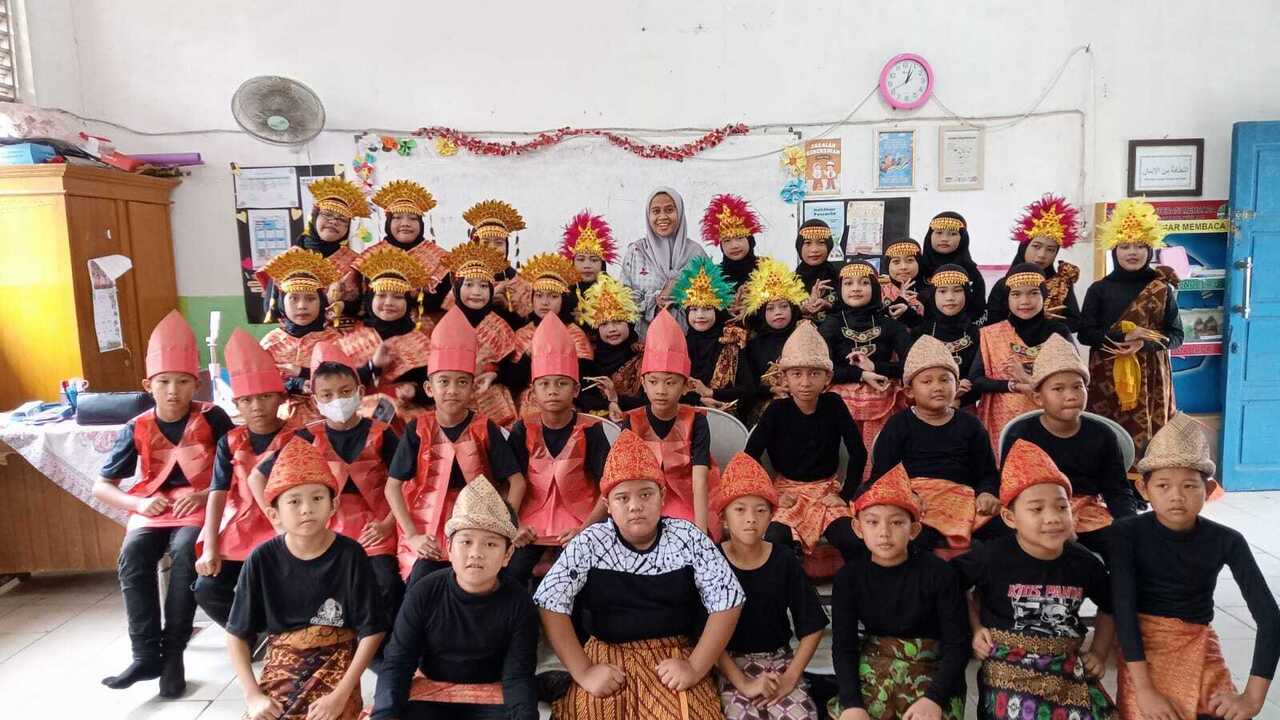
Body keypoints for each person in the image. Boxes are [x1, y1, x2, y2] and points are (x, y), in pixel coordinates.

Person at [533, 430, 745, 720]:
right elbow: (550, 601)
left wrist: (695, 666)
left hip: (673, 656)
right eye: (622, 497)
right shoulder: (590, 542)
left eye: (646, 494)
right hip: (605, 656)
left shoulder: (688, 537)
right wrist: (583, 671)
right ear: (608, 505)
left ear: (663, 496)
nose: (635, 506)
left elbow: (728, 599)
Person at [93, 311, 234, 697]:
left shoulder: (214, 417)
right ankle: (144, 655)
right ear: (148, 385)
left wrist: (204, 495)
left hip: (204, 504)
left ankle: (173, 655)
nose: (174, 390)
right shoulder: (136, 426)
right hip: (151, 509)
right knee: (133, 557)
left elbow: (237, 468)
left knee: (186, 552)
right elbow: (101, 486)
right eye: (164, 382)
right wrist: (136, 505)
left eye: (183, 381)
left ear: (196, 384)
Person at [1112, 413, 1280, 720]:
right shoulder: (1126, 533)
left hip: (1198, 641)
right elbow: (1122, 610)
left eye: (1190, 486)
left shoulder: (1227, 541)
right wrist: (1145, 690)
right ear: (1144, 489)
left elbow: (1270, 619)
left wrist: (1252, 699)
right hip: (1143, 649)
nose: (1176, 497)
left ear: (1209, 488)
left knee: (1221, 712)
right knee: (1149, 711)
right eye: (1163, 485)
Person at [954, 440, 1116, 720]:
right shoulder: (991, 557)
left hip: (1064, 663)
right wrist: (975, 627)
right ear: (1010, 517)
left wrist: (1099, 652)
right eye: (1037, 509)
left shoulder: (1084, 562)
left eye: (1061, 507)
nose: (1053, 518)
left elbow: (1111, 604)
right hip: (1008, 662)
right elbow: (951, 585)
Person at [226, 438, 386, 720]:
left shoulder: (351, 555)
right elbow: (237, 635)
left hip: (337, 658)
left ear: (333, 505)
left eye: (317, 498)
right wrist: (253, 696)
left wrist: (340, 695)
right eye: (294, 501)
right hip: (284, 658)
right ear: (274, 513)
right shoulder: (262, 559)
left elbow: (372, 631)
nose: (307, 509)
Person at [250, 341, 405, 627]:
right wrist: (280, 524)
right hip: (326, 526)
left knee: (386, 582)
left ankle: (380, 645)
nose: (337, 400)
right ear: (316, 400)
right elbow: (257, 476)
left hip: (376, 528)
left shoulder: (384, 434)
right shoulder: (306, 437)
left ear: (360, 393)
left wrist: (388, 523)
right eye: (327, 395)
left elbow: (407, 484)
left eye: (345, 392)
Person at [372, 477, 539, 720]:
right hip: (431, 690)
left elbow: (518, 676)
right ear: (449, 547)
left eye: (491, 544)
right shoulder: (424, 592)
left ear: (507, 554)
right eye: (466, 541)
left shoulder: (519, 603)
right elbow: (398, 663)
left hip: (491, 695)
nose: (476, 554)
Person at [384, 306, 526, 584]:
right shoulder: (418, 428)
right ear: (429, 388)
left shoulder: (485, 427)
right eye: (443, 382)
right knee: (420, 581)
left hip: (477, 519)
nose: (452, 390)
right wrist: (412, 534)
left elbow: (517, 482)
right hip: (427, 523)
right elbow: (393, 486)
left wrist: (504, 524)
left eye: (462, 382)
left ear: (474, 388)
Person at [830, 464, 968, 720]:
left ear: (913, 529)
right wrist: (852, 704)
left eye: (896, 522)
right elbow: (844, 647)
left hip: (931, 669)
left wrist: (934, 698)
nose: (884, 532)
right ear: (859, 529)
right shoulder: (849, 578)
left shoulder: (940, 574)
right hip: (873, 665)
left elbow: (957, 645)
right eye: (872, 522)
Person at [194, 329, 301, 629]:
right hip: (238, 529)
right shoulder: (229, 441)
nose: (257, 407)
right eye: (247, 400)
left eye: (265, 397)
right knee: (207, 588)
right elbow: (218, 492)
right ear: (237, 404)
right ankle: (250, 632)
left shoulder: (298, 437)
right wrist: (211, 546)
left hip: (284, 527)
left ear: (280, 397)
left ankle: (281, 634)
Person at [1001, 334, 1143, 558]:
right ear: (1038, 398)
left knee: (1125, 548)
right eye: (1058, 389)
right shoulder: (1023, 434)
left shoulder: (1102, 435)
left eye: (1078, 387)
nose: (1070, 396)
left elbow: (1117, 490)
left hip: (1088, 513)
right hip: (1036, 511)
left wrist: (1130, 526)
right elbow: (1013, 489)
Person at [713, 453, 827, 720]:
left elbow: (813, 625)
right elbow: (704, 635)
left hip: (779, 661)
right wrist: (743, 683)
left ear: (772, 516)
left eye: (760, 510)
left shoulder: (783, 559)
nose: (750, 518)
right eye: (740, 509)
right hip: (727, 662)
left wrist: (790, 677)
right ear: (724, 518)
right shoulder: (713, 561)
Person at [745, 320, 867, 562]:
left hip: (826, 492)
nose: (805, 382)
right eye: (797, 374)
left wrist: (844, 495)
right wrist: (771, 494)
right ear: (784, 377)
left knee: (853, 541)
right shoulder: (777, 410)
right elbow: (749, 456)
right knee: (773, 541)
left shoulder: (834, 404)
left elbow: (859, 452)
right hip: (786, 493)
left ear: (827, 377)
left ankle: (853, 593)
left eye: (814, 373)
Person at [869, 335, 1001, 555]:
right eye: (927, 381)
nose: (937, 387)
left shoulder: (971, 424)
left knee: (1009, 533)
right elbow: (884, 475)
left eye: (944, 380)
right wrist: (907, 498)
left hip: (964, 502)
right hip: (916, 502)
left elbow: (987, 472)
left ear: (957, 385)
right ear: (910, 391)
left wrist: (987, 492)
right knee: (912, 539)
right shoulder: (898, 425)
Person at [505, 314, 611, 587]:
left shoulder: (591, 430)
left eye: (561, 383)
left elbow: (608, 486)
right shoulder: (522, 429)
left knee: (584, 577)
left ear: (575, 389)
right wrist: (513, 525)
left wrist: (586, 529)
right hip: (529, 523)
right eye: (545, 384)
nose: (553, 391)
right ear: (532, 391)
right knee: (510, 573)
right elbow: (508, 483)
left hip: (580, 522)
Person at [1080, 198, 1183, 455]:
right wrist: (1124, 335)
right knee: (1108, 435)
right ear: (1114, 250)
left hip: (1152, 378)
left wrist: (1143, 343)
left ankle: (1145, 487)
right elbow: (1085, 333)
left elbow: (1177, 335)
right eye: (1125, 246)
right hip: (1106, 374)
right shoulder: (1099, 289)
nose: (1132, 252)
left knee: (1151, 439)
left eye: (1140, 246)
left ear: (1150, 250)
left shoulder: (1162, 288)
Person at [619, 308, 718, 534]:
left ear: (685, 386)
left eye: (671, 383)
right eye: (653, 382)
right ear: (643, 383)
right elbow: (626, 476)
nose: (661, 390)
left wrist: (702, 534)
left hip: (688, 499)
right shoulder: (631, 422)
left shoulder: (697, 421)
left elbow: (699, 479)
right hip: (644, 500)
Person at [821, 260, 912, 481]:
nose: (856, 288)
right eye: (848, 283)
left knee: (878, 461)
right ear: (840, 289)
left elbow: (912, 365)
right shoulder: (831, 324)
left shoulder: (891, 325)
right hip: (840, 404)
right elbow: (822, 367)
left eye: (863, 283)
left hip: (883, 401)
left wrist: (876, 367)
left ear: (875, 287)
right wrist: (861, 374)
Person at [970, 263, 1071, 455]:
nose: (1025, 301)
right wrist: (1013, 385)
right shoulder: (991, 334)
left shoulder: (1058, 332)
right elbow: (977, 380)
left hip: (1052, 418)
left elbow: (1075, 377)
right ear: (1007, 298)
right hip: (1003, 423)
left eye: (1033, 293)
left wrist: (1025, 378)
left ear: (1043, 296)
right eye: (1016, 294)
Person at [339, 245, 435, 427]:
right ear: (370, 300)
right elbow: (337, 388)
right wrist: (372, 367)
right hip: (360, 428)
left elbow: (438, 386)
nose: (389, 303)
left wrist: (415, 391)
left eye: (398, 297)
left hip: (413, 428)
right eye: (381, 295)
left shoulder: (422, 341)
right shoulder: (350, 339)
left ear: (408, 303)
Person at [257, 177, 369, 326]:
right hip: (298, 337)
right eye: (327, 214)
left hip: (346, 339)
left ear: (347, 228)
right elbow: (271, 310)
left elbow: (365, 307)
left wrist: (343, 306)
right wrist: (323, 301)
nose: (334, 221)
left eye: (342, 219)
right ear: (314, 217)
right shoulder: (287, 260)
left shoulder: (356, 262)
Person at [442, 239, 523, 429]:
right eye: (469, 285)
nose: (476, 292)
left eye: (484, 286)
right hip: (454, 401)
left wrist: (495, 375)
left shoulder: (501, 326)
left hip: (495, 403)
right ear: (457, 288)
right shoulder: (446, 325)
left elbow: (516, 372)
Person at [259, 246, 344, 424]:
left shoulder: (335, 340)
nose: (302, 306)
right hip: (280, 424)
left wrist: (304, 373)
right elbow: (259, 388)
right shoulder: (269, 343)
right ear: (282, 301)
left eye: (310, 298)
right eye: (294, 298)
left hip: (330, 424)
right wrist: (293, 385)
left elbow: (346, 382)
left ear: (321, 302)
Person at [510, 252, 594, 421]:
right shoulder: (522, 334)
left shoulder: (574, 333)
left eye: (553, 296)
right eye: (539, 296)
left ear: (564, 300)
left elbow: (585, 376)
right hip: (528, 402)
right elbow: (513, 380)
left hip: (566, 401)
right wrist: (528, 356)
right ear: (531, 300)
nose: (545, 302)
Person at [986, 195, 1082, 332]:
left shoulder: (1062, 283)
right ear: (1024, 247)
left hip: (1051, 349)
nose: (1042, 255)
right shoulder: (1004, 285)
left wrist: (1047, 322)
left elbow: (1075, 323)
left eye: (1050, 250)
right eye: (1036, 246)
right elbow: (991, 325)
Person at [620, 187, 709, 336]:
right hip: (643, 344)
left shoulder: (696, 254)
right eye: (656, 211)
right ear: (648, 215)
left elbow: (711, 300)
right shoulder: (636, 252)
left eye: (669, 210)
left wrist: (679, 296)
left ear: (679, 213)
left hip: (688, 343)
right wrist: (655, 299)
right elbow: (623, 301)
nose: (662, 217)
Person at [673, 255, 750, 414]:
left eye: (707, 309)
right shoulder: (679, 346)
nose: (700, 315)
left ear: (718, 311)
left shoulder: (732, 343)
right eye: (694, 309)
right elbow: (667, 389)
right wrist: (698, 400)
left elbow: (748, 390)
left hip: (726, 421)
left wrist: (711, 393)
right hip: (684, 419)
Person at [364, 179, 450, 318]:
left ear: (421, 224)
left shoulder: (441, 258)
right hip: (383, 330)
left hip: (429, 332)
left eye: (413, 218)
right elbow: (364, 304)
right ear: (388, 222)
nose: (405, 224)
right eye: (397, 217)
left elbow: (446, 301)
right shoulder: (371, 256)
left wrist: (419, 296)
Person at [740, 257, 810, 423]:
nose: (778, 312)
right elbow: (748, 384)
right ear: (762, 314)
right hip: (765, 408)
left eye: (783, 306)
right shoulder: (753, 345)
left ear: (793, 308)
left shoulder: (806, 335)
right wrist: (771, 389)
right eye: (770, 309)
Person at [574, 273, 646, 420]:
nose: (612, 329)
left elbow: (652, 399)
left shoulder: (642, 356)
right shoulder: (588, 359)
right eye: (604, 324)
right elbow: (580, 396)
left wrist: (617, 400)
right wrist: (608, 405)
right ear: (597, 328)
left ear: (630, 324)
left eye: (618, 322)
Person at [913, 265, 981, 408]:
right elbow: (910, 377)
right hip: (925, 409)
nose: (950, 298)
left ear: (967, 294)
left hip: (966, 410)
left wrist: (960, 399)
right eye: (942, 291)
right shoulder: (919, 333)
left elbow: (980, 378)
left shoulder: (978, 334)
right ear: (933, 295)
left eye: (957, 291)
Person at [462, 199, 532, 324]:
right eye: (486, 242)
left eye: (499, 243)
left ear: (507, 246)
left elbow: (529, 328)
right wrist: (486, 301)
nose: (492, 248)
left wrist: (506, 307)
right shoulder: (462, 279)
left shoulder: (520, 283)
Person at [917, 212, 985, 322]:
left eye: (952, 234)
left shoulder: (972, 273)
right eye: (939, 232)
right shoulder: (918, 269)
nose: (944, 238)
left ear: (963, 239)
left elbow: (978, 310)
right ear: (930, 236)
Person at [699, 193, 763, 308]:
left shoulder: (767, 269)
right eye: (727, 240)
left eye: (739, 238)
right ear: (721, 246)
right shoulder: (713, 276)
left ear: (750, 241)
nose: (734, 245)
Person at [559, 210, 617, 297]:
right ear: (572, 263)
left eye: (594, 260)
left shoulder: (616, 295)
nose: (587, 265)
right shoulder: (560, 294)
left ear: (602, 264)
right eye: (581, 259)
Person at [794, 219, 840, 320]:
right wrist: (802, 310)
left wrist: (828, 305)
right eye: (808, 243)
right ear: (799, 246)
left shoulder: (841, 276)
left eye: (821, 242)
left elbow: (853, 311)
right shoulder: (789, 282)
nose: (814, 249)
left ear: (829, 245)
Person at [880, 239, 925, 330]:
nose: (903, 267)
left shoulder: (932, 292)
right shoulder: (877, 292)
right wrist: (901, 300)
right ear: (887, 266)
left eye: (909, 260)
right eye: (896, 261)